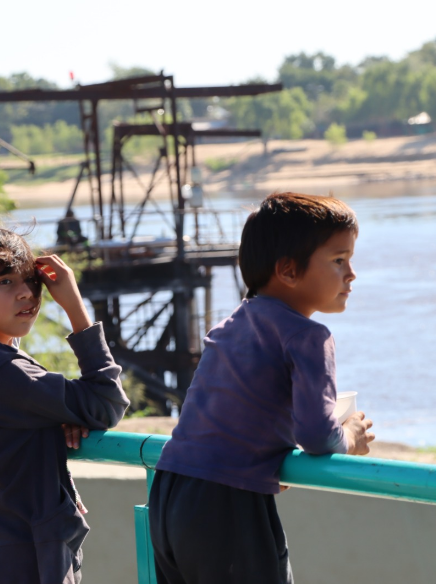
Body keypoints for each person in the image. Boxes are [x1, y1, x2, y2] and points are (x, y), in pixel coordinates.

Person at [148, 192, 376, 584]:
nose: (351, 274)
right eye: (339, 260)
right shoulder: (308, 336)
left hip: (170, 492)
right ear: (288, 270)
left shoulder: (230, 326)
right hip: (229, 505)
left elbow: (232, 420)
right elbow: (317, 436)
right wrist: (351, 436)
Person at [0, 227, 130, 584]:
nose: (27, 293)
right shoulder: (4, 372)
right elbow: (106, 402)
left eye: (30, 280)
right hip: (26, 559)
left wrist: (54, 418)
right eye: (5, 282)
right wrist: (75, 307)